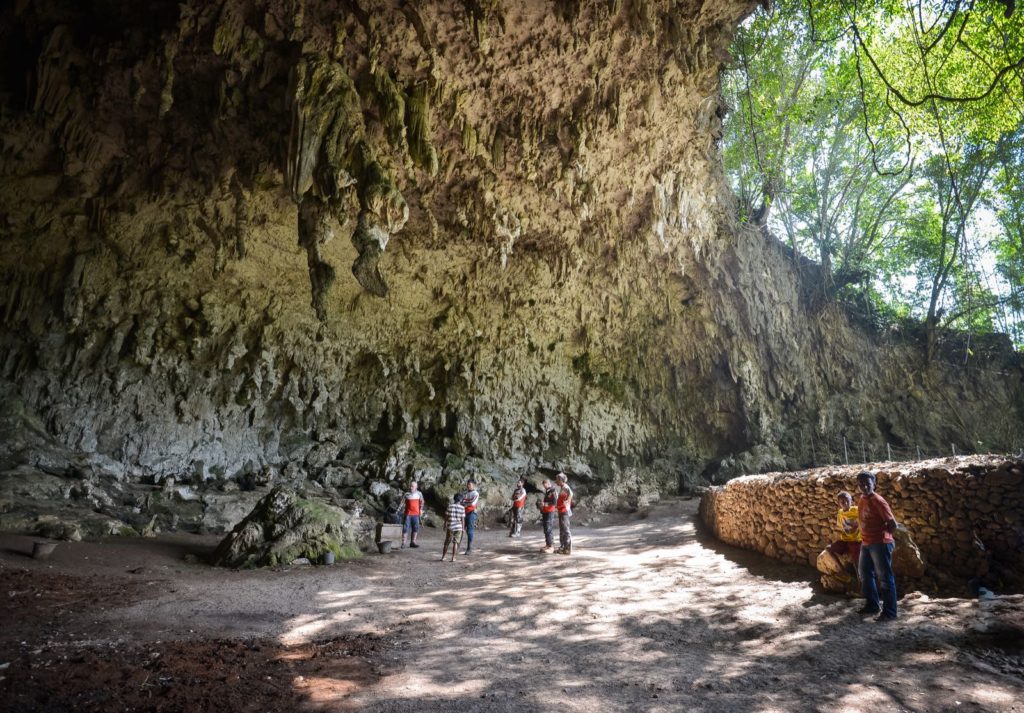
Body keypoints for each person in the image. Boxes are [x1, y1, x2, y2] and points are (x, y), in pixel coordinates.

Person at [856, 471, 899, 622]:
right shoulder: (862, 498)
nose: (864, 486)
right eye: (861, 484)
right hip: (866, 542)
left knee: (885, 578)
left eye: (867, 483)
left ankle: (890, 612)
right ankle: (872, 605)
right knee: (865, 574)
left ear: (875, 484)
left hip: (880, 543)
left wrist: (882, 536)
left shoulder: (878, 501)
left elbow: (893, 524)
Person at [828, 490, 861, 577]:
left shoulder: (857, 510)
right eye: (842, 501)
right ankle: (843, 572)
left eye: (847, 500)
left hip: (856, 540)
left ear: (851, 501)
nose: (845, 503)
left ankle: (860, 579)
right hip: (845, 540)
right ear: (838, 503)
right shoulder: (840, 513)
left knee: (857, 561)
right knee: (829, 549)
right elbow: (840, 527)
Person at [441, 494, 466, 562]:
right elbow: (462, 519)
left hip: (450, 527)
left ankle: (443, 557)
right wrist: (463, 528)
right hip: (458, 528)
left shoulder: (450, 506)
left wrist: (444, 524)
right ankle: (453, 558)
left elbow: (446, 517)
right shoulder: (462, 508)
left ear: (454, 499)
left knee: (447, 542)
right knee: (455, 542)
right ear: (460, 500)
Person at [400, 480, 424, 549]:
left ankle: (413, 542)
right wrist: (398, 511)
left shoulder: (419, 494)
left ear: (416, 487)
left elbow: (422, 502)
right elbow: (402, 503)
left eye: (412, 486)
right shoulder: (406, 494)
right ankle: (403, 543)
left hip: (416, 514)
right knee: (405, 528)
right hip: (407, 514)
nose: (411, 487)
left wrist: (421, 509)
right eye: (410, 486)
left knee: (416, 528)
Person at [555, 472, 573, 555]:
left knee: (565, 529)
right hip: (562, 510)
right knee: (562, 529)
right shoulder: (563, 487)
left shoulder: (565, 488)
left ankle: (567, 548)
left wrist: (564, 505)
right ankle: (563, 546)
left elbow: (568, 497)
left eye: (557, 480)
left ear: (561, 480)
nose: (556, 481)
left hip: (564, 511)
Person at [538, 478, 557, 553]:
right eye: (544, 485)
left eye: (545, 484)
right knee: (546, 528)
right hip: (546, 511)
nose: (544, 486)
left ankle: (551, 546)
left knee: (548, 528)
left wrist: (545, 504)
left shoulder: (553, 491)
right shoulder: (548, 491)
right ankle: (548, 544)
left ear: (549, 483)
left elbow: (555, 502)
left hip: (550, 511)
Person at [462, 479, 480, 555]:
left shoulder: (475, 493)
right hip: (464, 512)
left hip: (471, 513)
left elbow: (472, 503)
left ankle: (469, 548)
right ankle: (458, 546)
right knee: (461, 529)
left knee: (470, 530)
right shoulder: (465, 493)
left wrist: (465, 503)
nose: (468, 486)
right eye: (468, 484)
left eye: (470, 484)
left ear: (474, 485)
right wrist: (465, 503)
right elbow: (461, 502)